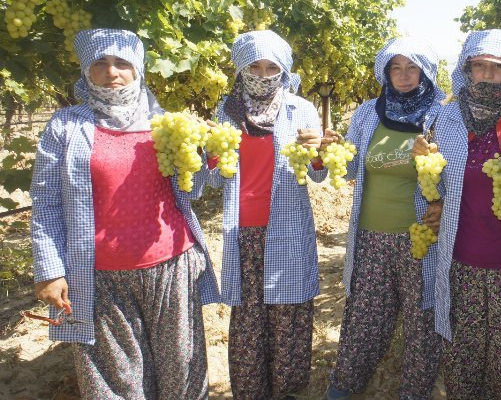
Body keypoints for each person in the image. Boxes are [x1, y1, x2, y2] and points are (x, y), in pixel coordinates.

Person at [30, 28, 220, 398]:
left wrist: (205, 151)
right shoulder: (65, 126)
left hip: (171, 267)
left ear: (139, 70)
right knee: (114, 382)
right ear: (86, 71)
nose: (112, 71)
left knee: (182, 373)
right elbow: (46, 203)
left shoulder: (166, 124)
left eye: (122, 63)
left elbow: (191, 189)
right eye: (100, 63)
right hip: (100, 277)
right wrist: (50, 271)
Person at [412, 29, 501, 398]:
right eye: (479, 66)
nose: (488, 74)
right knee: (463, 366)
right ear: (468, 70)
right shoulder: (447, 118)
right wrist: (428, 178)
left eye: (497, 67)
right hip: (460, 268)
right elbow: (440, 189)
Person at [207, 30, 330, 399]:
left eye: (271, 67)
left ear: (283, 69)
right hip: (243, 232)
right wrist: (208, 149)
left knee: (289, 314)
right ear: (241, 68)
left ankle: (287, 391)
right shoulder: (226, 112)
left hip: (288, 227)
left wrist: (319, 151)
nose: (262, 74)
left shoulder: (302, 109)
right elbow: (214, 178)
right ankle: (251, 391)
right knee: (248, 319)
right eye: (254, 66)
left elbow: (320, 173)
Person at [325, 37, 445, 400]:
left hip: (421, 239)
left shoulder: (442, 114)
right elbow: (348, 169)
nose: (404, 75)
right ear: (386, 72)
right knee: (364, 317)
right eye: (396, 67)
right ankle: (342, 385)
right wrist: (330, 150)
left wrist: (441, 201)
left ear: (425, 71)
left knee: (421, 323)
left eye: (412, 67)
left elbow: (452, 172)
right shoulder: (368, 112)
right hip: (371, 236)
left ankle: (416, 391)